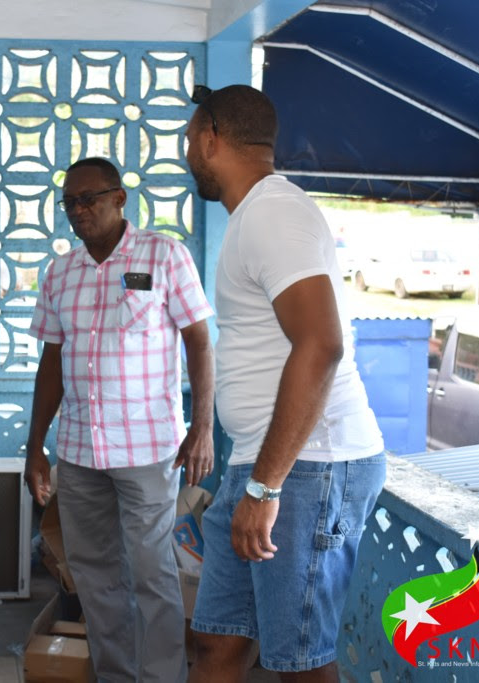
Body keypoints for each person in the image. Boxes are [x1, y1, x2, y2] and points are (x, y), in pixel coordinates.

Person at [184, 84, 386, 682]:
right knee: (217, 642)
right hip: (263, 465)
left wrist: (266, 488)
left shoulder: (274, 212)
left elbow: (321, 345)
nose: (187, 155)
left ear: (210, 139)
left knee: (300, 662)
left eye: (188, 141)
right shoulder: (255, 215)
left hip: (306, 470)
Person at [23, 157, 215, 683]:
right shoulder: (61, 272)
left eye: (89, 199)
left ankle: (161, 678)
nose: (78, 210)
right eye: (70, 202)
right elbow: (52, 362)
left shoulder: (164, 255)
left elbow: (199, 341)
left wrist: (201, 426)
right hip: (79, 452)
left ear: (119, 198)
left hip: (147, 450)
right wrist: (36, 446)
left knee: (153, 575)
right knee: (96, 578)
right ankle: (116, 676)